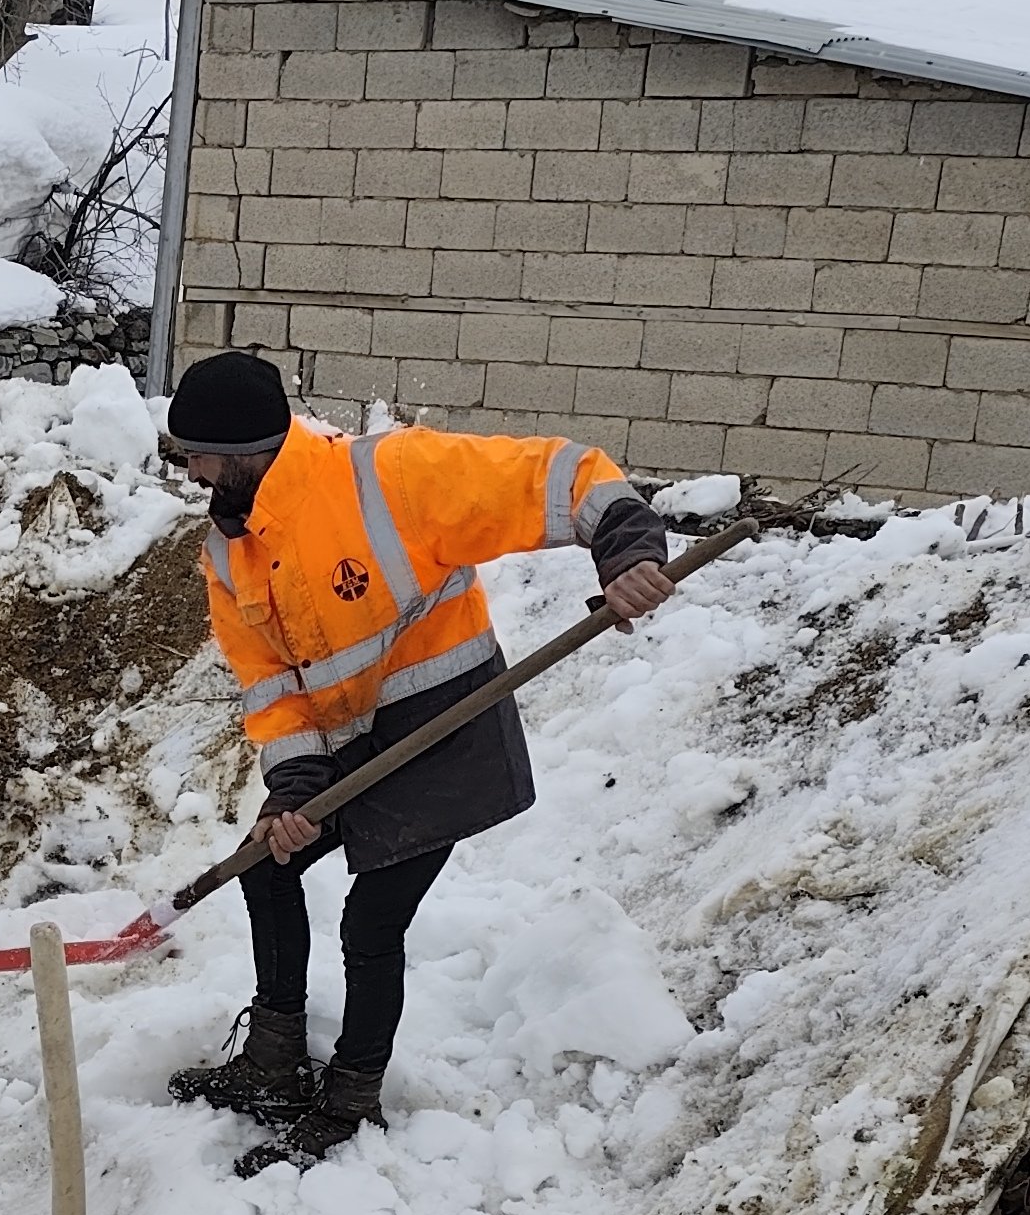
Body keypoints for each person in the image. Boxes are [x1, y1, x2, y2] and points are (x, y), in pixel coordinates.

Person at [159, 351, 675, 1165]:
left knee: (372, 918)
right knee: (265, 863)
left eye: (198, 454)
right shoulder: (229, 554)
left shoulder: (390, 475)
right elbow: (272, 690)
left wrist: (628, 549)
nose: (189, 470)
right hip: (346, 750)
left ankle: (351, 1098)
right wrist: (294, 791)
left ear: (248, 448)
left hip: (445, 736)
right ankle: (274, 1063)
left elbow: (561, 474)